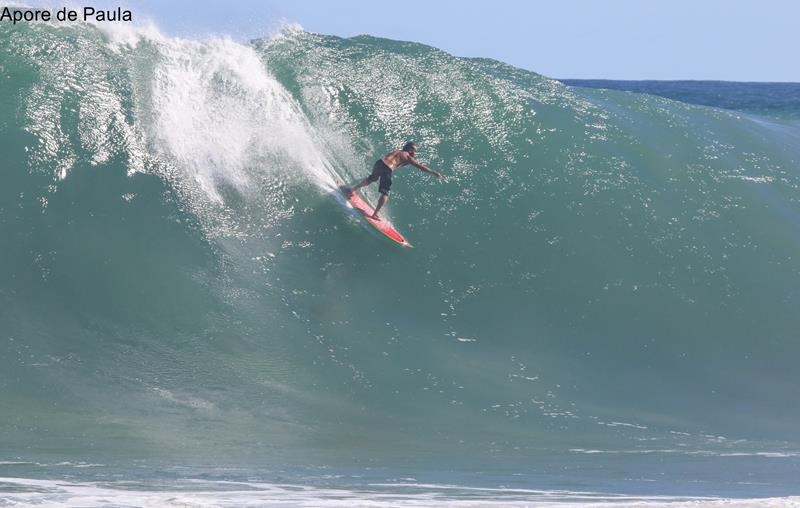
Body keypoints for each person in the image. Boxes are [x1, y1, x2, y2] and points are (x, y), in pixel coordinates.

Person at [346, 142, 443, 220]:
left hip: (379, 163)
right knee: (385, 193)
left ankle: (352, 189)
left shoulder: (397, 150)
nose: (415, 152)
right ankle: (375, 214)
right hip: (387, 168)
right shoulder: (408, 157)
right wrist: (434, 173)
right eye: (414, 150)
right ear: (410, 149)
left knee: (372, 178)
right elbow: (421, 167)